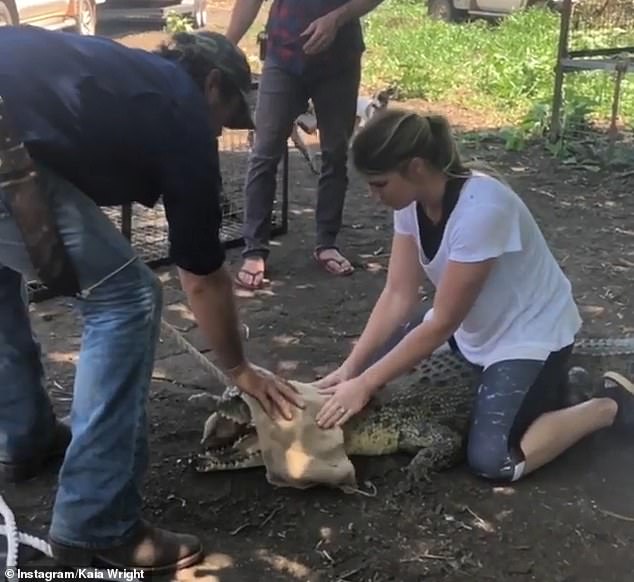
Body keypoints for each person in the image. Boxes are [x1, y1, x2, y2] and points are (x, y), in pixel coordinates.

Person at [0, 27, 304, 572]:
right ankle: (95, 525)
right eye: (228, 116)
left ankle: (26, 438)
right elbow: (202, 275)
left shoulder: (124, 77)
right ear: (213, 84)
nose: (219, 133)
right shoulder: (180, 109)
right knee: (126, 298)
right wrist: (239, 368)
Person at [313, 108, 634, 483]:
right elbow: (398, 294)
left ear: (416, 167)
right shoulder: (410, 203)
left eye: (379, 184)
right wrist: (352, 369)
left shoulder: (482, 209)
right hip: (474, 328)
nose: (372, 195)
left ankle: (609, 404)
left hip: (530, 336)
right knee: (375, 369)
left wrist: (365, 383)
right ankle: (545, 393)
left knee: (492, 461)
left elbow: (443, 321)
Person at [226, 0, 385, 290]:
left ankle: (327, 243)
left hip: (340, 61)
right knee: (264, 152)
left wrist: (337, 18)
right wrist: (225, 47)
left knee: (335, 153)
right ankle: (254, 249)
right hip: (283, 56)